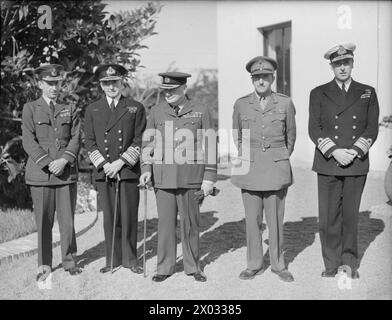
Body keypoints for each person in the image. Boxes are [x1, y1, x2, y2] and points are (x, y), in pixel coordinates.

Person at [308, 43, 379, 279]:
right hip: (329, 162)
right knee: (328, 218)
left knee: (350, 217)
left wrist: (355, 150)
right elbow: (313, 128)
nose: (342, 68)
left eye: (345, 63)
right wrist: (335, 151)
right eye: (337, 64)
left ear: (352, 64)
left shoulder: (367, 91)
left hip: (356, 162)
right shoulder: (318, 92)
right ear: (331, 66)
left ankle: (349, 264)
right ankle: (330, 264)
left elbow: (371, 128)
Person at [139, 72, 217, 282]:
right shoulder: (156, 111)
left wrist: (209, 177)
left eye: (172, 90)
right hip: (163, 178)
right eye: (165, 91)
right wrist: (146, 169)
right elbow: (148, 143)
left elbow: (210, 144)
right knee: (165, 225)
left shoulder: (200, 110)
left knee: (190, 224)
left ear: (184, 89)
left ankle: (193, 267)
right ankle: (165, 267)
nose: (168, 94)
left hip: (191, 178)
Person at [231, 56, 296, 282]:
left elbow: (291, 137)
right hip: (249, 167)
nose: (261, 81)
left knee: (276, 219)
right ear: (252, 79)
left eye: (265, 77)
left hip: (276, 167)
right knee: (252, 219)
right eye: (256, 77)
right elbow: (237, 135)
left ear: (272, 78)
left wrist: (280, 157)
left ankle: (278, 265)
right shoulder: (241, 104)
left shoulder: (285, 103)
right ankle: (254, 264)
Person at [21, 64, 82, 281]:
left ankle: (69, 261)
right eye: (49, 83)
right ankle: (44, 264)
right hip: (41, 174)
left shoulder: (70, 108)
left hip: (65, 174)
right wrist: (49, 162)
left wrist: (64, 160)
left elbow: (76, 137)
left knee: (67, 221)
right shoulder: (30, 108)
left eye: (57, 83)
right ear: (40, 84)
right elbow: (28, 140)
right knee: (44, 222)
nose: (54, 87)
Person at [84, 64, 146, 274]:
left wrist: (121, 162)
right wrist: (105, 165)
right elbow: (90, 142)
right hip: (105, 172)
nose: (111, 86)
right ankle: (112, 259)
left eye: (115, 82)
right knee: (110, 217)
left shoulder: (135, 107)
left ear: (122, 83)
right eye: (107, 83)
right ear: (101, 86)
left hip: (127, 170)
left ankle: (131, 259)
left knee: (129, 216)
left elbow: (139, 139)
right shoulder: (92, 109)